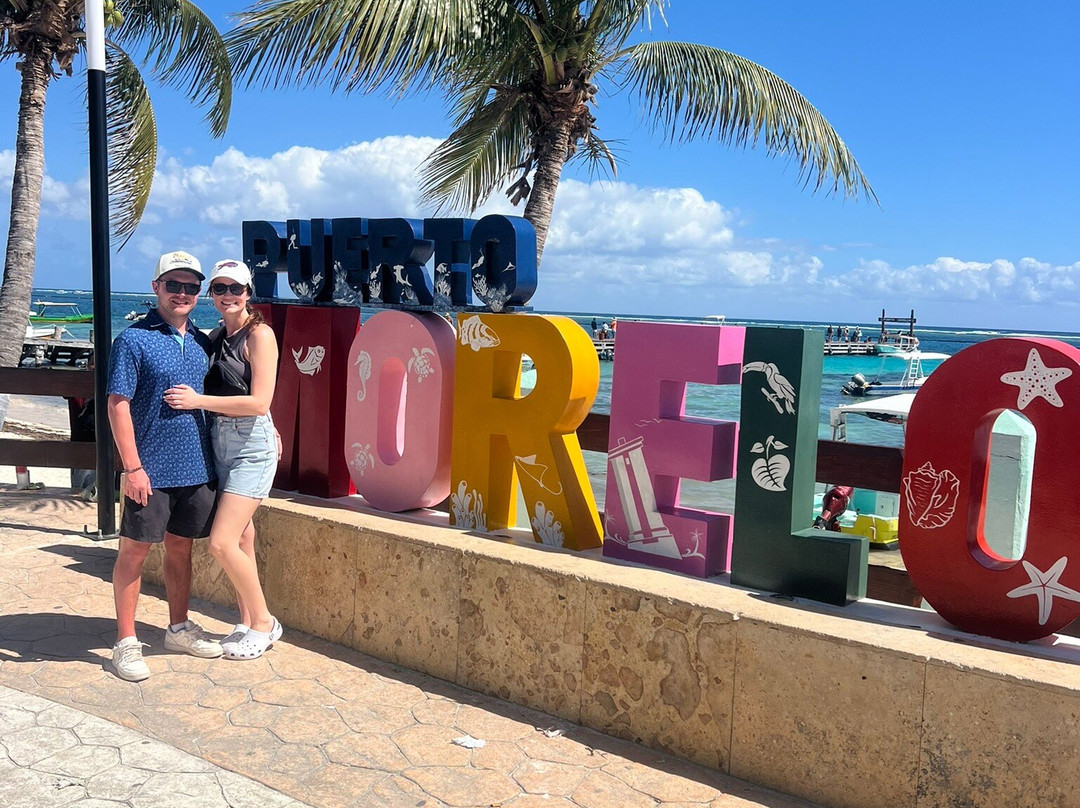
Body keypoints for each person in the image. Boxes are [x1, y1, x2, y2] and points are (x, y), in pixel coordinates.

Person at [108, 251, 222, 682]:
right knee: (133, 552)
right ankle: (125, 642)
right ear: (156, 287)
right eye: (173, 284)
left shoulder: (202, 341)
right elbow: (117, 405)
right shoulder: (133, 340)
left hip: (196, 467)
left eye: (191, 287)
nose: (182, 293)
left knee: (181, 549)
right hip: (149, 470)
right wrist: (132, 468)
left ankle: (178, 628)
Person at [165, 260, 282, 660]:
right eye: (219, 288)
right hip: (220, 443)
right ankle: (247, 620)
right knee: (243, 536)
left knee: (221, 542)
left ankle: (265, 624)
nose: (228, 295)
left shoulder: (259, 335)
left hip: (250, 448)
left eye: (236, 288)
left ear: (249, 292)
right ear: (211, 295)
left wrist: (198, 401)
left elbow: (260, 401)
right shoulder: (217, 337)